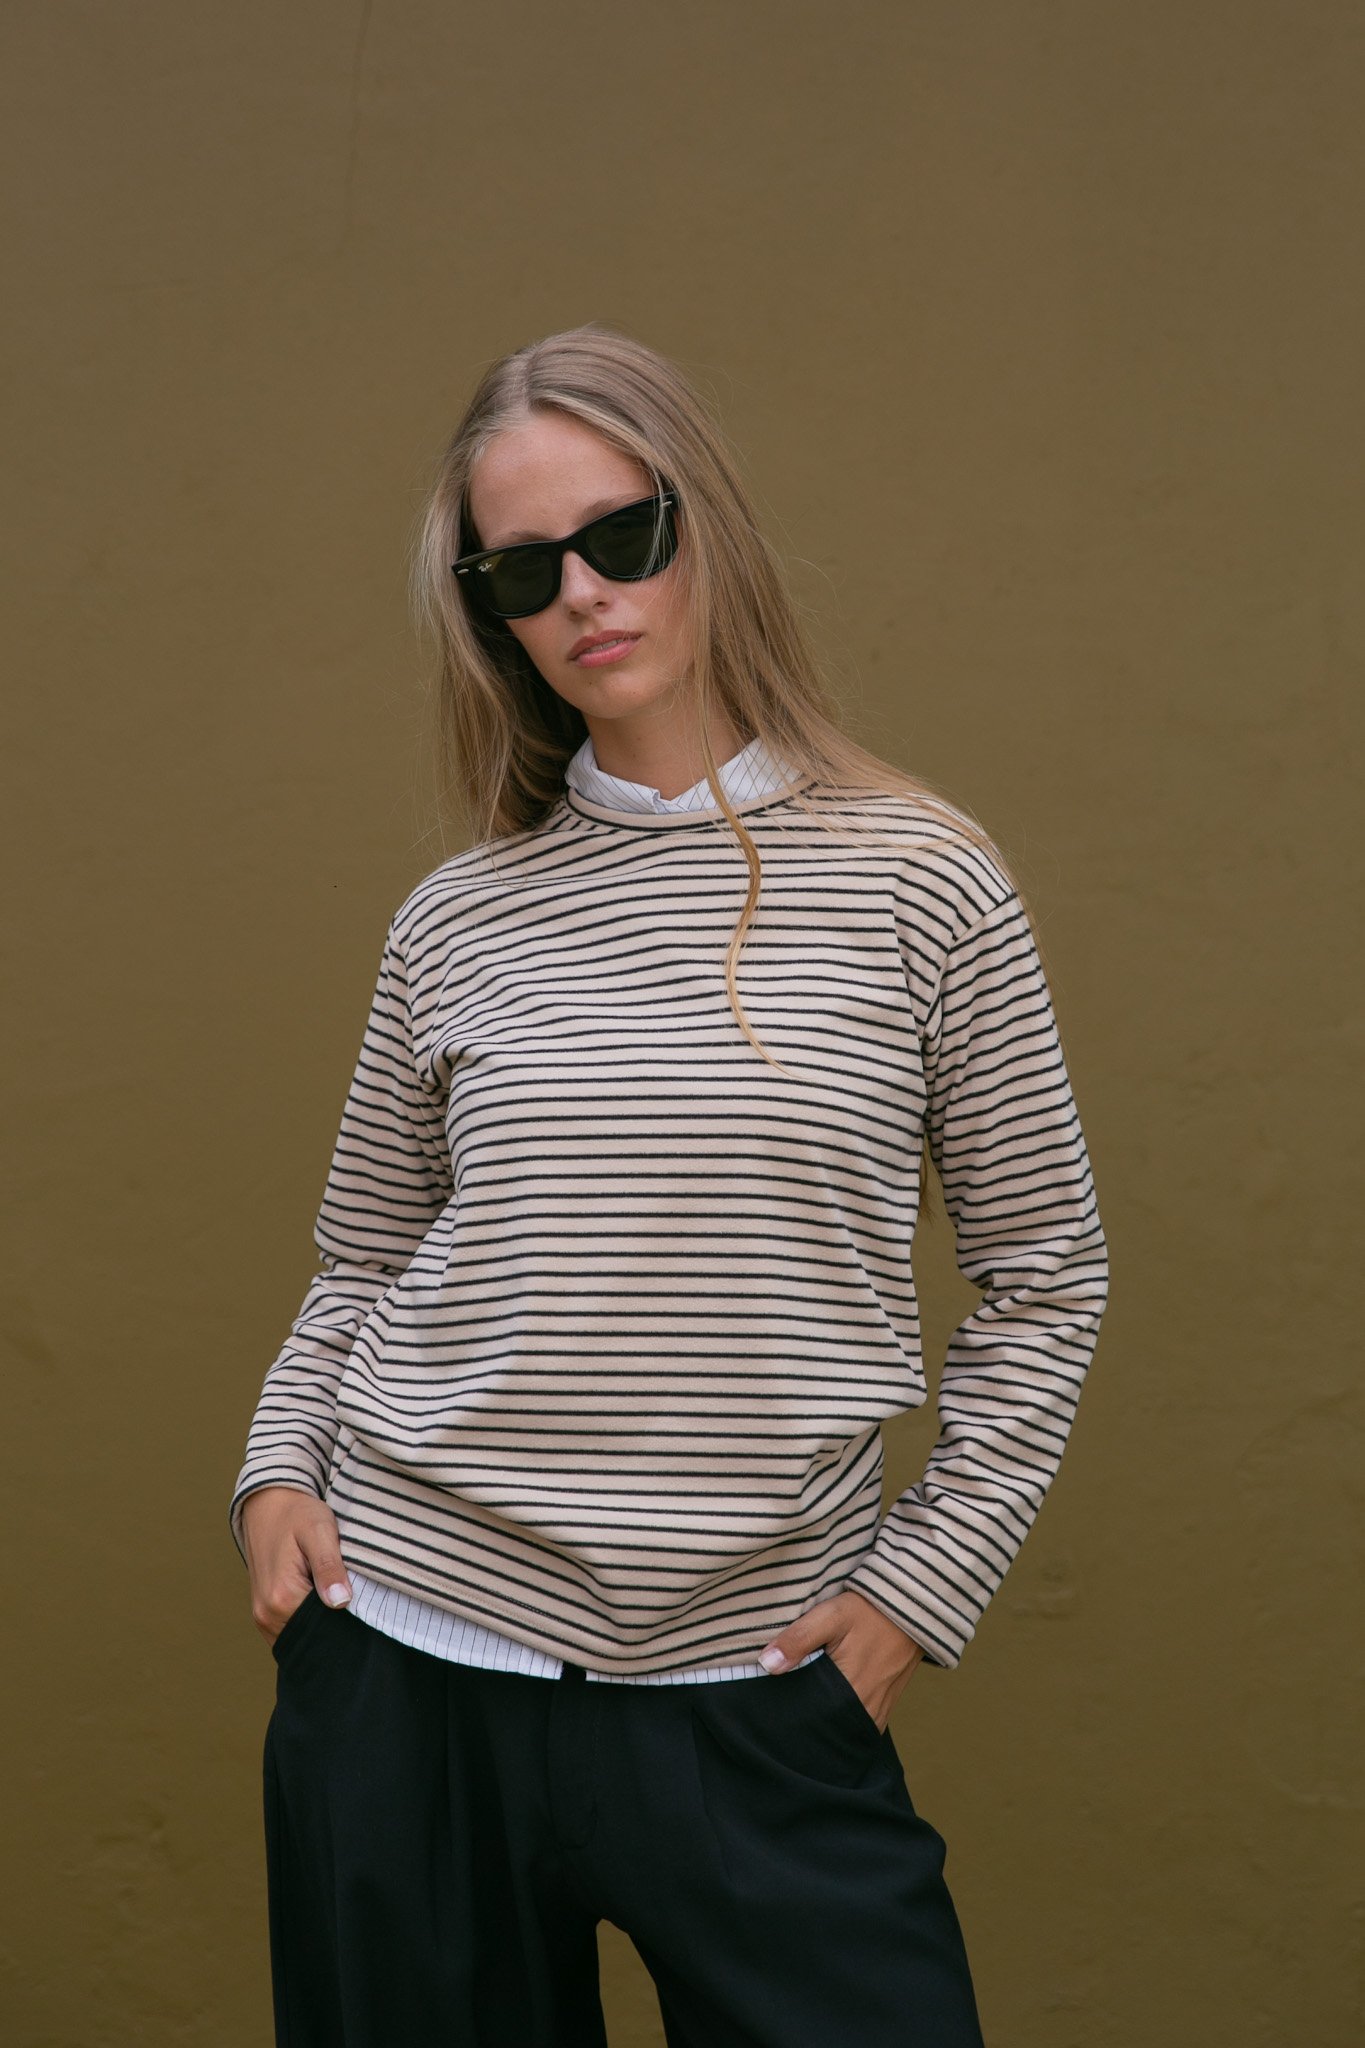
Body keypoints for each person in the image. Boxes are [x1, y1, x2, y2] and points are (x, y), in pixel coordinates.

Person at [230, 323, 1108, 2048]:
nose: (582, 594)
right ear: (491, 613)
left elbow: (1044, 1277)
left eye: (621, 535)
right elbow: (362, 1265)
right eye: (521, 570)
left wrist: (917, 1592)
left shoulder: (920, 879)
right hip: (410, 1668)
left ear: (704, 523)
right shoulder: (455, 921)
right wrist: (274, 1474)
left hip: (755, 1698)